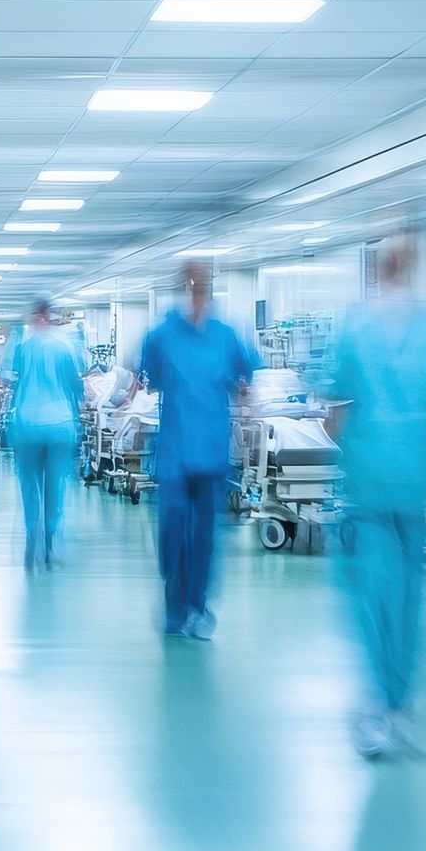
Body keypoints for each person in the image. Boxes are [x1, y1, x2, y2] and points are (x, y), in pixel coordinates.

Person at [327, 231, 426, 757]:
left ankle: (378, 708)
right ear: (413, 266)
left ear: (376, 268)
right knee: (411, 593)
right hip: (416, 479)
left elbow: (335, 414)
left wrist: (347, 441)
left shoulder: (354, 325)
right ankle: (401, 705)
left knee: (373, 595)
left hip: (368, 479)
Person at [141, 261, 257, 639]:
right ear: (182, 287)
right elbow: (154, 379)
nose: (196, 290)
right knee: (173, 530)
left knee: (205, 536)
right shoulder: (160, 336)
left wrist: (246, 396)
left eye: (202, 284)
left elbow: (247, 376)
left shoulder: (226, 335)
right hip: (175, 449)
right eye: (191, 284)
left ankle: (198, 604)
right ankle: (174, 605)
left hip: (210, 450)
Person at [8, 302, 83, 572]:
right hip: (60, 425)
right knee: (55, 486)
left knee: (30, 486)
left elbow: (13, 384)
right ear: (51, 317)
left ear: (33, 318)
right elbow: (77, 387)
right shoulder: (65, 348)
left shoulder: (23, 348)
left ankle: (32, 538)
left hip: (28, 425)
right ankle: (50, 542)